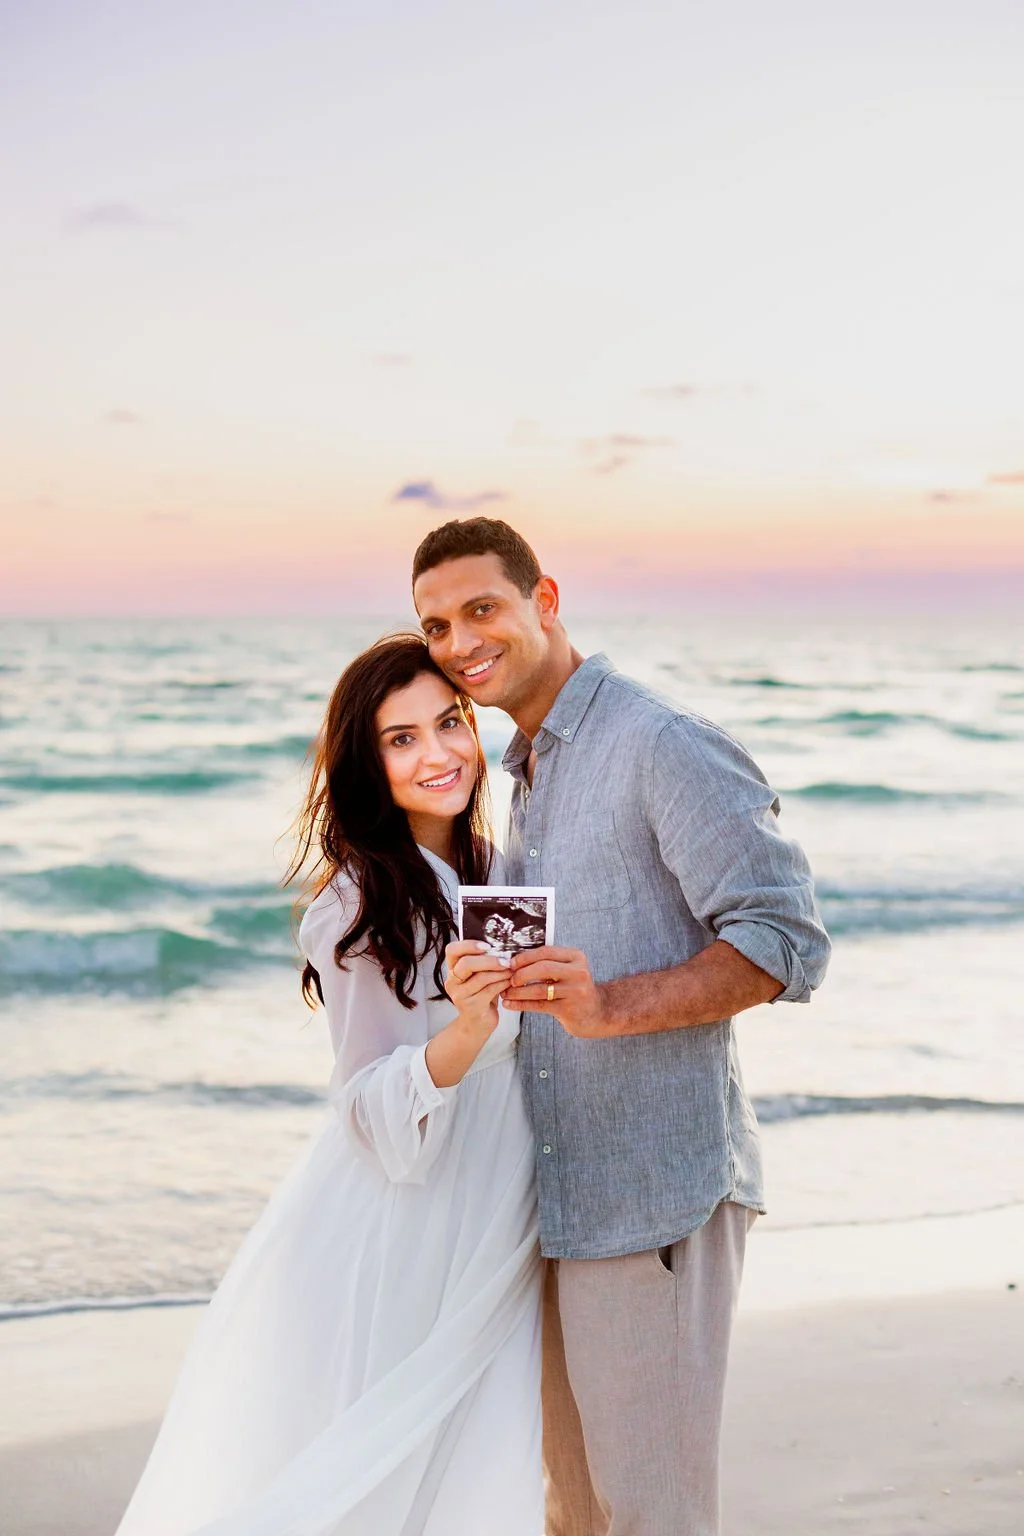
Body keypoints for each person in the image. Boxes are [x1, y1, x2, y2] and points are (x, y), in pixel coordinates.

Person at [412, 519, 832, 1536]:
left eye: (481, 608)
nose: (460, 641)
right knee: (574, 1514)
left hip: (654, 1199)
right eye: (436, 625)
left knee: (652, 1516)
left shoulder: (659, 743)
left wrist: (611, 1006)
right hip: (554, 1203)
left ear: (545, 600)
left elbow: (786, 941)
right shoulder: (522, 770)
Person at [115, 635, 544, 1536]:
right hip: (414, 1215)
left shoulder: (501, 870)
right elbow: (368, 1105)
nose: (438, 754)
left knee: (486, 1454)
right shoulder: (355, 905)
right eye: (401, 739)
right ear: (365, 762)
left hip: (508, 1192)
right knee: (384, 1469)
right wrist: (468, 1029)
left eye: (450, 723)